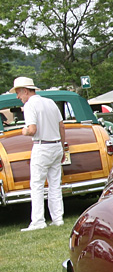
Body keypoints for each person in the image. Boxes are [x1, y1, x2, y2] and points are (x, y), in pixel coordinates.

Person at [11, 77, 67, 231]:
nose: (18, 97)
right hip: (56, 145)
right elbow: (61, 127)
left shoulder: (30, 105)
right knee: (55, 184)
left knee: (37, 185)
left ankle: (38, 221)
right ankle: (58, 218)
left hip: (42, 146)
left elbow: (32, 130)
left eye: (18, 93)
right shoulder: (50, 102)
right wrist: (62, 147)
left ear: (25, 90)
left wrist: (23, 131)